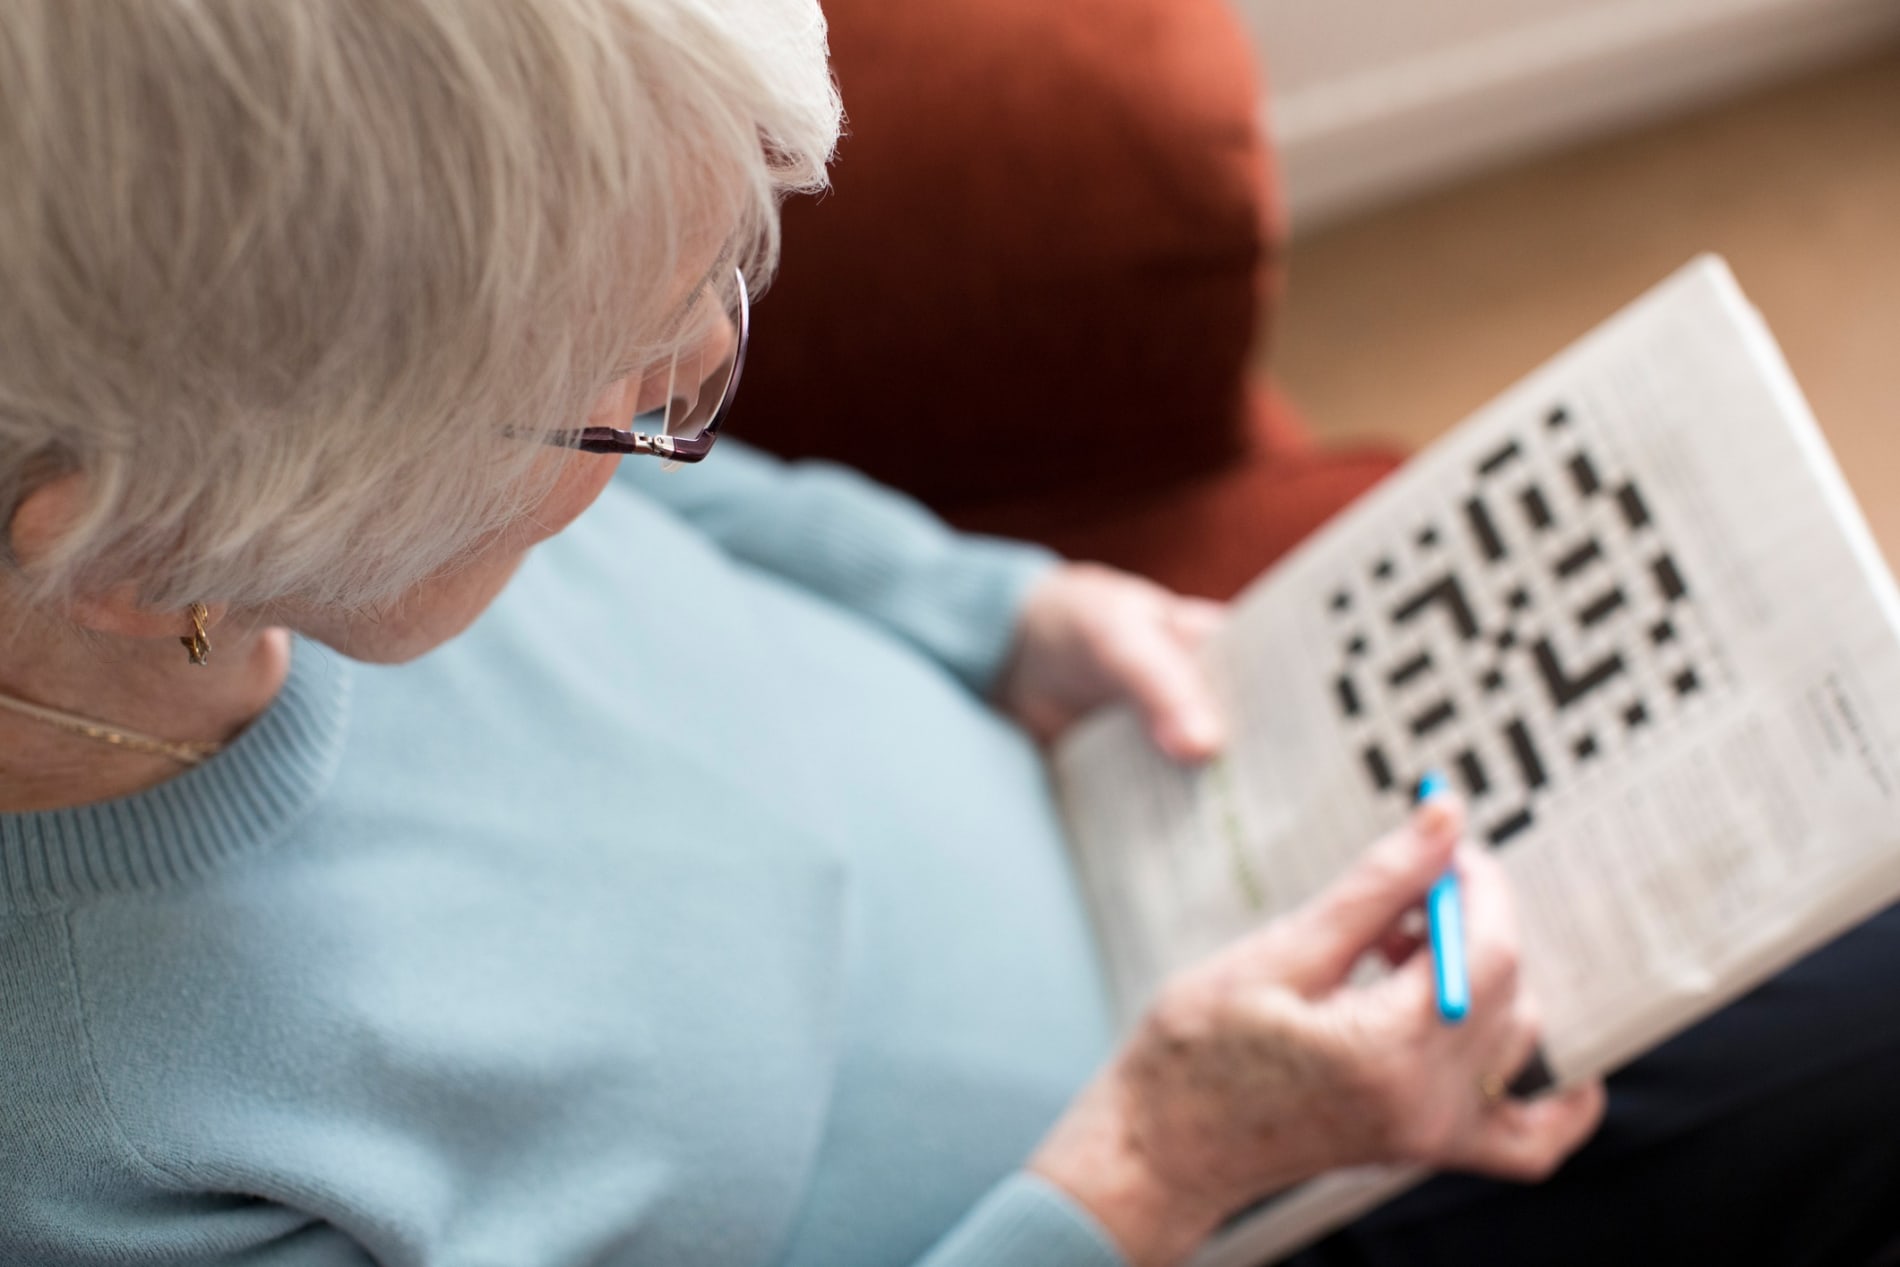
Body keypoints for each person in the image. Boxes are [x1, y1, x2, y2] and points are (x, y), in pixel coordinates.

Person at [0, 4, 1893, 1267]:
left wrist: (996, 608)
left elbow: (699, 512)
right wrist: (1151, 1177)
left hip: (1142, 840)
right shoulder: (104, 1144)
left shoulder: (285, 509)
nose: (689, 414)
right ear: (130, 548)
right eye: (613, 401)